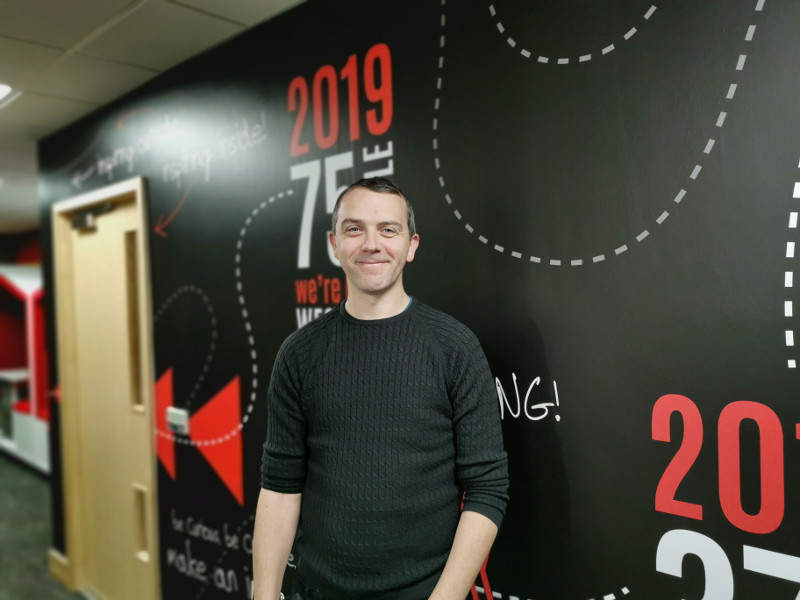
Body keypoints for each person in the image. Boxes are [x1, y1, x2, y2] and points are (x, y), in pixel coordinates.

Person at [253, 177, 509, 600]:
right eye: (355, 229)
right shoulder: (299, 353)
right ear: (335, 244)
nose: (372, 243)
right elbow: (280, 487)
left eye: (388, 229)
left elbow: (487, 489)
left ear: (411, 245)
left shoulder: (455, 347)